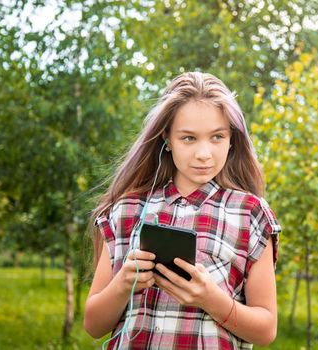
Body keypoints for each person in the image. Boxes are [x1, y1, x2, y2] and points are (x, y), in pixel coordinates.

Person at [84, 72, 281, 349]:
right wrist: (122, 286)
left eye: (217, 137)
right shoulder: (127, 209)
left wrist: (209, 298)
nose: (204, 153)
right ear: (167, 137)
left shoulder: (249, 213)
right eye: (188, 138)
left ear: (232, 139)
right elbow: (93, 325)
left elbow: (266, 330)